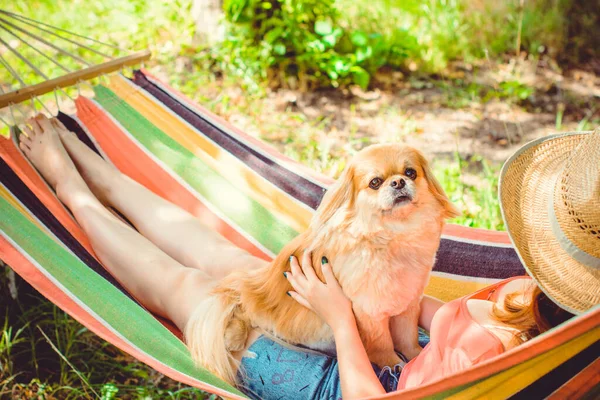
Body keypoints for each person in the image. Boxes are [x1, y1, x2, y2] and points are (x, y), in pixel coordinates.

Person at [18, 115, 600, 399]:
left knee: (191, 289)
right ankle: (96, 167)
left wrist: (342, 315)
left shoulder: (507, 356)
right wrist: (399, 305)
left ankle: (71, 188)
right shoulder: (527, 300)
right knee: (225, 258)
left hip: (344, 381)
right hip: (373, 341)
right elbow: (422, 309)